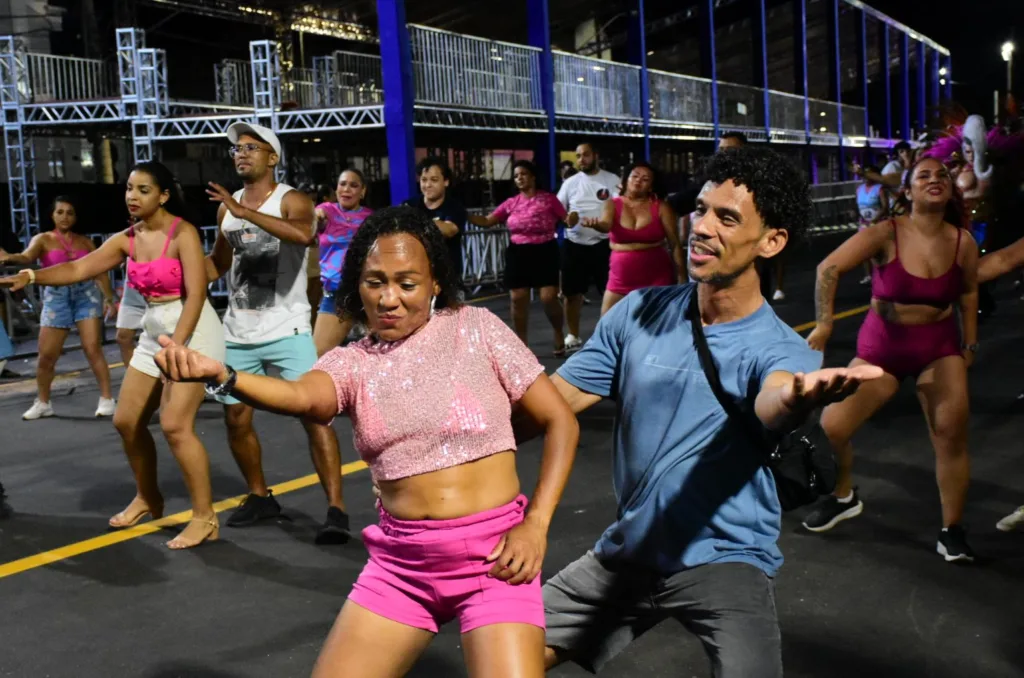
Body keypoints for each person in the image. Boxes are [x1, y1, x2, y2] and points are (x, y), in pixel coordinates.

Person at [154, 205, 580, 678]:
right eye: (375, 282)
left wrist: (536, 525)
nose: (389, 298)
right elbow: (299, 395)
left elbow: (561, 420)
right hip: (403, 569)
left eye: (407, 282)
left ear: (436, 282)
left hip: (497, 559)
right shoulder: (352, 362)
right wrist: (226, 375)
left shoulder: (475, 329)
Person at [529, 147, 882, 677]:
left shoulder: (783, 349)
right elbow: (550, 405)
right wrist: (443, 433)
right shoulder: (638, 312)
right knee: (503, 658)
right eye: (701, 208)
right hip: (630, 549)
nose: (702, 227)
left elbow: (775, 397)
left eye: (728, 217)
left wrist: (795, 399)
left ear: (772, 241)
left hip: (726, 557)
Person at [0, 162, 225, 549]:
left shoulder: (182, 234)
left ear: (164, 195)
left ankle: (205, 518)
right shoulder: (128, 238)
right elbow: (79, 267)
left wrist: (179, 350)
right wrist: (33, 276)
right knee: (125, 421)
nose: (132, 197)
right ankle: (148, 496)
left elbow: (197, 295)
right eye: (129, 189)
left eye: (142, 190)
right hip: (156, 332)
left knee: (174, 426)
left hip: (193, 332)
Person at [804, 157, 978, 563]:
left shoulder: (962, 242)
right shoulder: (886, 232)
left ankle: (952, 529)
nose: (935, 180)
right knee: (831, 427)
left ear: (950, 190)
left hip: (938, 347)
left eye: (942, 176)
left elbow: (968, 293)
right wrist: (825, 325)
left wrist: (970, 345)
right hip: (881, 349)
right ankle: (844, 496)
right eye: (924, 176)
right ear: (908, 191)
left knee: (950, 433)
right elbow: (828, 267)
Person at [205, 121, 349, 544]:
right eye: (237, 149)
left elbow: (304, 235)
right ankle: (259, 495)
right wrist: (174, 278)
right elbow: (217, 263)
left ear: (272, 156)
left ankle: (336, 509)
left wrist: (244, 211)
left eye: (252, 147)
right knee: (235, 417)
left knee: (316, 415)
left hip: (287, 328)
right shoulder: (225, 209)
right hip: (238, 330)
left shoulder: (292, 199)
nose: (241, 154)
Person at [0, 196, 117, 420]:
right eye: (60, 212)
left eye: (70, 212)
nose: (65, 216)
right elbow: (26, 257)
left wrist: (109, 298)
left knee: (92, 348)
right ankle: (43, 402)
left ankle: (107, 399)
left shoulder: (85, 242)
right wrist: (8, 258)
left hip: (86, 295)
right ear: (52, 215)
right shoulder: (43, 239)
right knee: (46, 356)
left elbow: (99, 271)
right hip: (57, 297)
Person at [470, 159, 567, 355]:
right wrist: (463, 215)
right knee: (517, 297)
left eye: (523, 174)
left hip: (545, 250)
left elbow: (566, 219)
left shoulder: (549, 199)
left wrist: (572, 219)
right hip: (519, 252)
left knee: (548, 297)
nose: (519, 178)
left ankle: (558, 332)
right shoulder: (511, 203)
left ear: (532, 176)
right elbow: (488, 221)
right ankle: (522, 344)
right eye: (516, 176)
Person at [582, 161, 684, 316]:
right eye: (635, 176)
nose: (638, 180)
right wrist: (596, 225)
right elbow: (605, 225)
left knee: (656, 327)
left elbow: (675, 244)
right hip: (620, 277)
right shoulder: (612, 204)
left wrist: (682, 276)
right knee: (606, 323)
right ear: (626, 180)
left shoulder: (662, 207)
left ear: (651, 186)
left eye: (645, 179)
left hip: (657, 276)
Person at [556, 142, 620, 353]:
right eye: (578, 156)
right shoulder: (570, 183)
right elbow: (560, 212)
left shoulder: (612, 180)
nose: (581, 159)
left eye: (585, 155)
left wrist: (605, 224)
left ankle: (614, 337)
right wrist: (568, 219)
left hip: (605, 244)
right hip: (575, 245)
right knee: (571, 294)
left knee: (611, 293)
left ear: (595, 155)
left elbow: (621, 209)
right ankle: (573, 336)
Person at [313, 168, 372, 356]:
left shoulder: (371, 218)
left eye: (354, 185)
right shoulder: (327, 211)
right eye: (343, 184)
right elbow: (314, 219)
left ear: (362, 192)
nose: (347, 189)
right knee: (317, 356)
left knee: (386, 354)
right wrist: (316, 218)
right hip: (336, 295)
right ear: (336, 188)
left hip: (368, 294)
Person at [404, 157, 467, 284]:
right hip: (416, 277)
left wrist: (413, 219)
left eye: (434, 180)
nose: (427, 185)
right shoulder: (410, 204)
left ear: (446, 182)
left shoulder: (455, 207)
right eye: (424, 180)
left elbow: (449, 230)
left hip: (448, 278)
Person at [855, 166, 889, 283]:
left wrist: (875, 219)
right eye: (865, 173)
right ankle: (868, 275)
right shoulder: (859, 189)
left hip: (878, 223)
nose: (866, 176)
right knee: (865, 250)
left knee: (879, 251)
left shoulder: (880, 188)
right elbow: (858, 206)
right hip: (864, 223)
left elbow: (885, 207)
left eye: (869, 173)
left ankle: (883, 275)